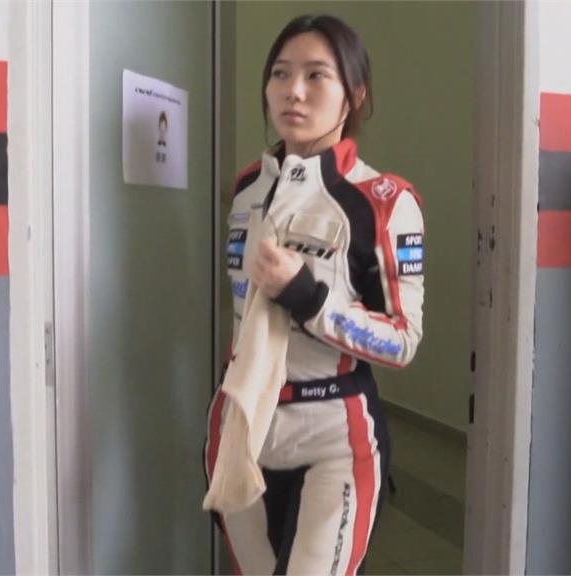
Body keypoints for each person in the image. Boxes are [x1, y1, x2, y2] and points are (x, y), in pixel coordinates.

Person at [203, 13, 425, 575]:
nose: (293, 91)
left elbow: (403, 340)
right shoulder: (246, 187)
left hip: (335, 435)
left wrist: (307, 296)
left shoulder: (382, 200)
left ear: (355, 95)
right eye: (280, 73)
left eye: (316, 75)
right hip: (245, 427)